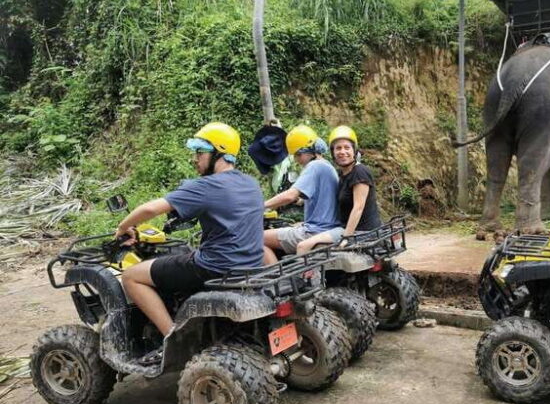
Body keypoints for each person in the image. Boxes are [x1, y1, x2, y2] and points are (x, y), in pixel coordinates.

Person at [116, 122, 265, 362]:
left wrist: (123, 227)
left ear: (218, 153)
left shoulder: (206, 186)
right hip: (250, 265)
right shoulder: (251, 182)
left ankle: (172, 339)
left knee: (131, 276)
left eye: (200, 152)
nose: (195, 159)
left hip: (214, 266)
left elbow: (151, 209)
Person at [296, 125, 382, 254]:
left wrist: (347, 237)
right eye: (338, 148)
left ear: (354, 150)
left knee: (303, 246)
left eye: (347, 147)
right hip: (344, 228)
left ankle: (305, 269)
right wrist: (301, 199)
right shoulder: (342, 174)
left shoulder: (360, 172)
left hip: (361, 232)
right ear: (333, 153)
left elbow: (358, 207)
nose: (342, 152)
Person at [262, 125, 341, 264]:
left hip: (315, 231)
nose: (296, 159)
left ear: (309, 151)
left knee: (257, 238)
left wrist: (261, 205)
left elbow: (290, 195)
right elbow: (311, 196)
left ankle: (276, 275)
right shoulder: (327, 166)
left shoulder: (314, 166)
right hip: (327, 227)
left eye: (298, 154)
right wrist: (299, 201)